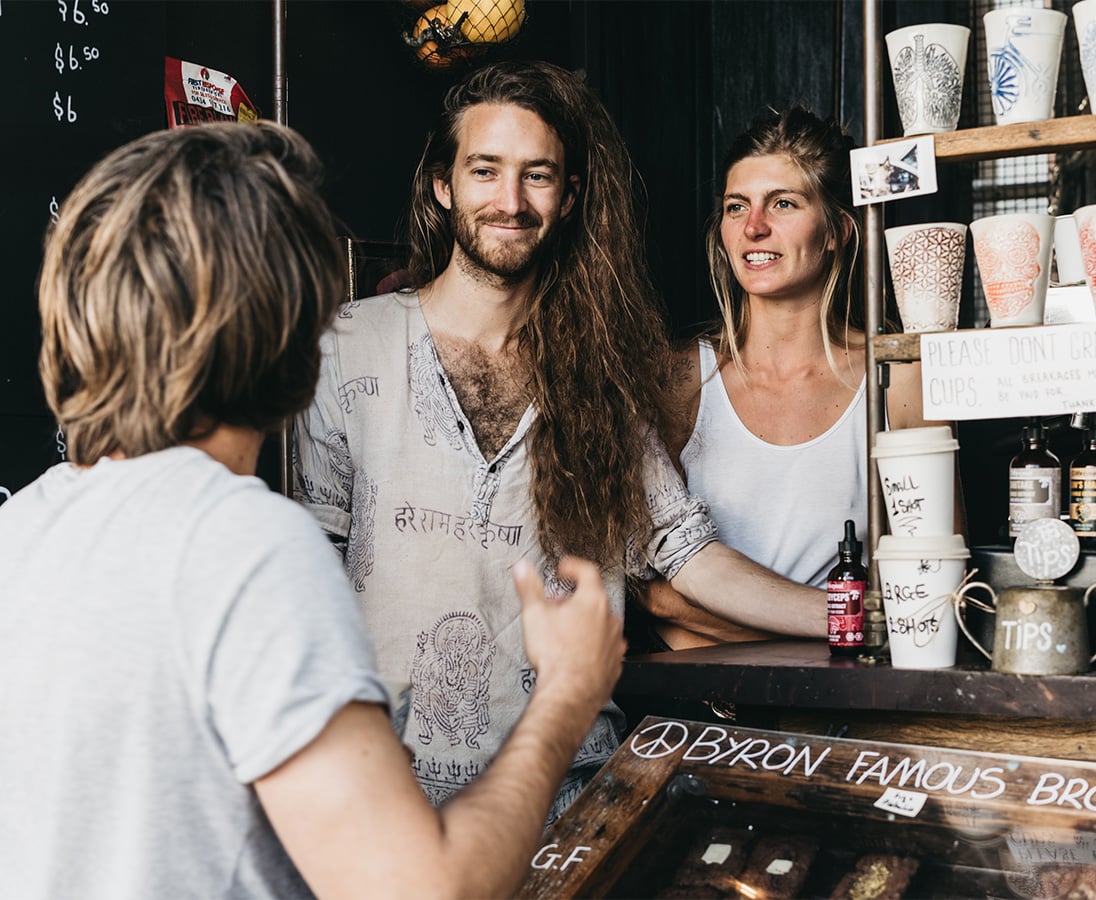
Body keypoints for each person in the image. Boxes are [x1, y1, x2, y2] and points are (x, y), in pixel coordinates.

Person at [0, 120, 627, 900]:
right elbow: (423, 891)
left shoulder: (18, 530)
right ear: (291, 335)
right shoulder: (242, 542)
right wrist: (569, 691)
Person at [292, 61, 832, 819]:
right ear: (443, 185)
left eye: (537, 175)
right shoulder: (345, 346)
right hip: (383, 801)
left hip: (560, 797)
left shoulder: (597, 377)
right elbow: (305, 569)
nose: (509, 202)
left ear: (570, 197)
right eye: (485, 170)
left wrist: (853, 616)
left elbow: (688, 553)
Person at [640, 105, 950, 650]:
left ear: (837, 231)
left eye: (783, 203)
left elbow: (935, 580)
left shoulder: (898, 379)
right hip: (699, 712)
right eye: (737, 206)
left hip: (839, 704)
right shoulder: (680, 379)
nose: (754, 226)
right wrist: (848, 622)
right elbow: (652, 592)